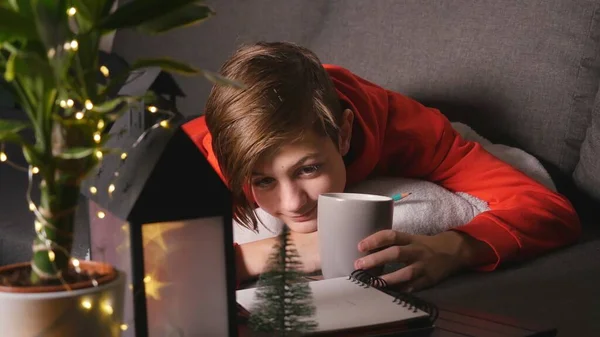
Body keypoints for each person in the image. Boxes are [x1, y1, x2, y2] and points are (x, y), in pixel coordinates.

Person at [183, 41, 581, 292]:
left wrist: (457, 247)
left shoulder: (409, 131)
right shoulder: (211, 156)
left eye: (307, 169)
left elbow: (549, 209)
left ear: (343, 134)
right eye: (264, 181)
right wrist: (260, 256)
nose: (292, 203)